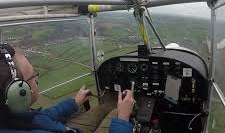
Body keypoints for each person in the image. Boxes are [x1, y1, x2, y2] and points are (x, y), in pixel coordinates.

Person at [0, 44, 135, 133]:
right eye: (32, 75)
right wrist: (123, 119)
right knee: (115, 112)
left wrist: (74, 103)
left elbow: (42, 117)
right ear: (17, 93)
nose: (36, 78)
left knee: (107, 107)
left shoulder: (13, 116)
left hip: (64, 128)